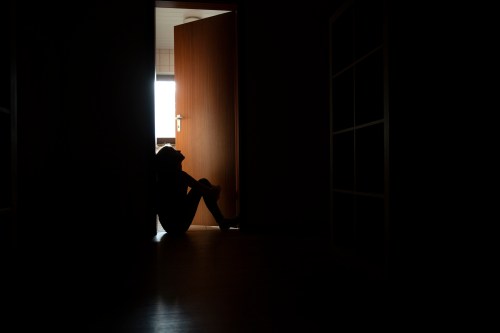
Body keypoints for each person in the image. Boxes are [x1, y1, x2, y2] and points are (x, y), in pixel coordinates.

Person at [154, 145, 239, 235]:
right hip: (179, 225)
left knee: (203, 184)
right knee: (203, 182)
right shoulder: (181, 176)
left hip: (168, 226)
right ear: (172, 165)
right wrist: (215, 190)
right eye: (179, 163)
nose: (181, 166)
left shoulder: (160, 179)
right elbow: (203, 189)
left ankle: (222, 222)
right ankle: (222, 222)